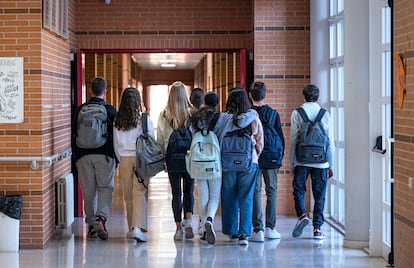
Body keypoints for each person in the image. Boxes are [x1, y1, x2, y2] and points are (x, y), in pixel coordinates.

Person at [71, 76, 117, 240]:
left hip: (83, 155)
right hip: (105, 154)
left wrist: (75, 158)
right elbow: (116, 135)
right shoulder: (110, 110)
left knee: (88, 191)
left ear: (90, 90)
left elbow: (73, 133)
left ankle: (91, 225)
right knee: (105, 187)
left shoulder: (80, 109)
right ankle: (101, 219)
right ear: (105, 91)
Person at [217, 87, 264, 246]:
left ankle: (231, 232)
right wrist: (255, 154)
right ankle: (244, 234)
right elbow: (260, 140)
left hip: (227, 163)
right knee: (246, 197)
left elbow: (218, 137)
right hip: (249, 162)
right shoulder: (253, 117)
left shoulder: (223, 118)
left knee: (229, 196)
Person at [289, 84, 334, 240]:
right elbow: (330, 143)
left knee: (299, 190)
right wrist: (330, 164)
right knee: (319, 195)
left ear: (304, 96)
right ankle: (317, 229)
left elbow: (294, 140)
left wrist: (292, 163)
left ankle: (302, 214)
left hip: (302, 159)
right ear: (317, 97)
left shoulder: (297, 113)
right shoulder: (325, 114)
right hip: (321, 162)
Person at [113, 87, 153, 242]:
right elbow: (151, 139)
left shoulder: (118, 120)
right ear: (138, 101)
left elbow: (116, 144)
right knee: (140, 192)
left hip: (124, 158)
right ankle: (137, 228)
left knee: (128, 195)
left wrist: (120, 158)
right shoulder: (144, 119)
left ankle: (132, 227)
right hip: (140, 159)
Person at [157, 81, 195, 241]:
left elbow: (160, 140)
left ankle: (178, 228)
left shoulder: (164, 115)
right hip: (189, 157)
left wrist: (162, 159)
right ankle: (189, 221)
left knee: (176, 193)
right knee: (189, 191)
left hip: (172, 158)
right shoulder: (193, 114)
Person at [249, 81, 284, 242]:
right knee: (272, 191)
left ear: (250, 95)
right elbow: (281, 138)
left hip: (254, 157)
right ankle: (271, 228)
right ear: (266, 94)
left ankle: (258, 229)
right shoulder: (273, 113)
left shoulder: (248, 114)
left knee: (255, 191)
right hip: (271, 157)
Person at [190, 91, 221, 245]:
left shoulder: (195, 117)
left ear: (204, 101)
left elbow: (191, 136)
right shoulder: (220, 118)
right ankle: (209, 219)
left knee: (203, 196)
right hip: (214, 161)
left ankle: (202, 229)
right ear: (217, 103)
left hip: (199, 160)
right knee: (214, 196)